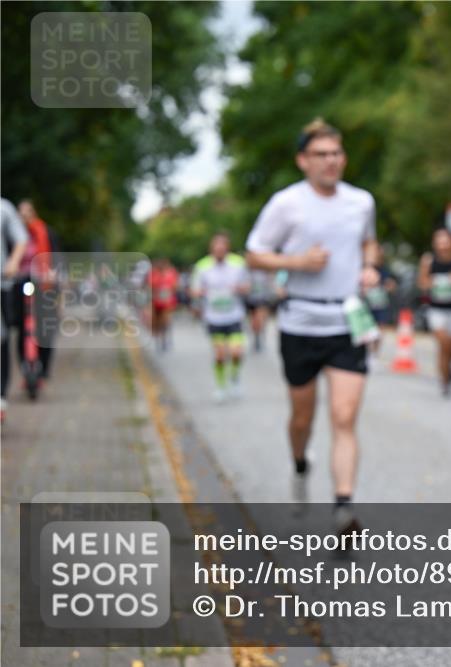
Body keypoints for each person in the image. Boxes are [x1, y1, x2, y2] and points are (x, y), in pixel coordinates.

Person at [245, 118, 379, 530]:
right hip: (300, 321)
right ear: (303, 161)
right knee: (302, 419)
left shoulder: (361, 202)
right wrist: (296, 262)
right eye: (320, 154)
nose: (330, 161)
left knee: (343, 417)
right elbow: (254, 254)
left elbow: (368, 241)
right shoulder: (287, 203)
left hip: (346, 320)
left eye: (336, 153)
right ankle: (300, 466)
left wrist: (370, 266)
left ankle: (343, 506)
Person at [190, 232, 250, 403]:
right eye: (216, 249)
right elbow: (193, 290)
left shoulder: (238, 263)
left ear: (227, 249)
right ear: (211, 250)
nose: (219, 251)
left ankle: (235, 377)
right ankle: (221, 386)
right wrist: (202, 292)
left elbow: (247, 286)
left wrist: (239, 288)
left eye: (222, 248)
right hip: (214, 317)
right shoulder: (202, 266)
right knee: (220, 355)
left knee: (237, 352)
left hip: (234, 315)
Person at [418, 228, 451, 397]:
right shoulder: (428, 260)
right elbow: (421, 284)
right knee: (443, 343)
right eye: (439, 241)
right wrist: (432, 282)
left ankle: (449, 369)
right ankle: (444, 382)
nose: (442, 245)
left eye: (445, 241)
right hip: (436, 310)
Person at [12, 199, 60, 390]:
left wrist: (53, 273)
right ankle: (25, 366)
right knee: (22, 327)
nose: (24, 217)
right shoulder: (14, 234)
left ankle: (43, 367)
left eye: (27, 213)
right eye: (21, 214)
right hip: (21, 281)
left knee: (45, 325)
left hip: (43, 284)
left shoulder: (46, 232)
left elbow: (56, 257)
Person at [1, 198, 28, 423]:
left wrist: (12, 262)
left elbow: (20, 240)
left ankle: (1, 397)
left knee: (3, 338)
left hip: (4, 284)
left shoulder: (4, 208)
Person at [245, 269, 286, 352]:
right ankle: (257, 335)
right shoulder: (249, 271)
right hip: (252, 299)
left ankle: (260, 336)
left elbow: (274, 283)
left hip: (264, 299)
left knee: (260, 318)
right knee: (254, 320)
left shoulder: (268, 271)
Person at [148, 258, 179, 352]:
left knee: (165, 320)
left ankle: (165, 339)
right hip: (156, 301)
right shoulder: (153, 273)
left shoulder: (171, 273)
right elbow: (151, 286)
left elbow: (175, 286)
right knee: (156, 322)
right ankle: (158, 338)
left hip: (167, 301)